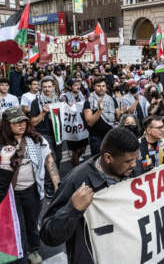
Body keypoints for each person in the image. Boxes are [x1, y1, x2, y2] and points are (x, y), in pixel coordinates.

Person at [40, 127, 140, 264]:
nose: (134, 164)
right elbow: (48, 235)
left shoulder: (134, 170)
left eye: (136, 159)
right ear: (108, 158)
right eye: (128, 161)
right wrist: (72, 209)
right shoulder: (76, 181)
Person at [0, 107, 60, 264]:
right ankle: (20, 253)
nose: (21, 125)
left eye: (23, 121)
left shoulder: (36, 139)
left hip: (32, 191)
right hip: (9, 195)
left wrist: (57, 184)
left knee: (32, 222)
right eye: (16, 122)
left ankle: (33, 250)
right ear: (7, 124)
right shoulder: (2, 144)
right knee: (16, 225)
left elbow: (49, 160)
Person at [29, 76, 62, 198]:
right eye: (44, 87)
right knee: (50, 159)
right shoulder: (35, 102)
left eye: (49, 86)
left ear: (54, 87)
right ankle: (49, 186)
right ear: (41, 88)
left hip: (58, 134)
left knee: (58, 158)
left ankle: (55, 181)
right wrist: (43, 112)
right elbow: (32, 122)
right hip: (43, 134)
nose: (47, 89)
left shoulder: (59, 100)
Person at [84, 77, 120, 155]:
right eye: (98, 86)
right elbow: (90, 122)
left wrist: (120, 113)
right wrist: (99, 110)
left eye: (103, 86)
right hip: (96, 137)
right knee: (97, 160)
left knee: (111, 158)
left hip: (110, 135)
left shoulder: (112, 99)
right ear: (94, 87)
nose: (101, 88)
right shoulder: (89, 101)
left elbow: (118, 118)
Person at [61, 79, 88, 167]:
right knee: (75, 150)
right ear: (70, 87)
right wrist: (67, 104)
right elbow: (61, 105)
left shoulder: (81, 95)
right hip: (72, 127)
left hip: (81, 127)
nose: (78, 87)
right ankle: (75, 168)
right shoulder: (65, 96)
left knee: (83, 148)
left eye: (79, 84)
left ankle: (74, 159)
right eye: (75, 85)